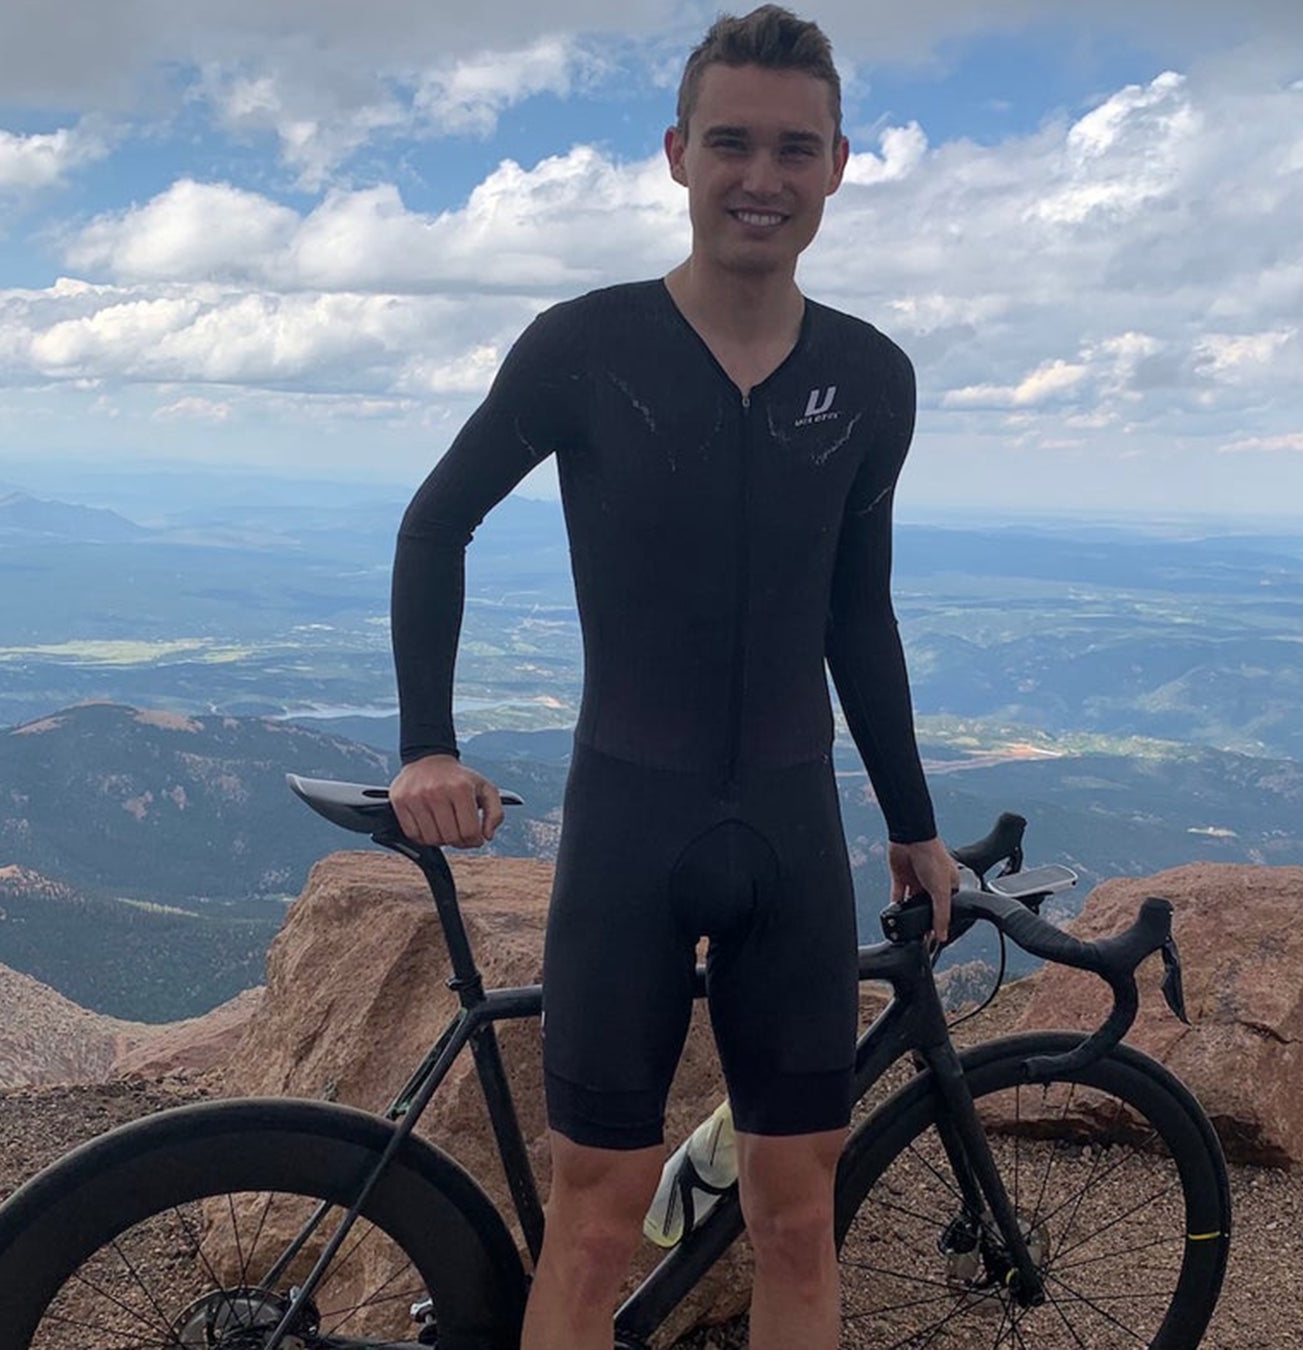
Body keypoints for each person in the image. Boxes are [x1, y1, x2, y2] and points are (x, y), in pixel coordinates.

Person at [386, 7, 956, 1347]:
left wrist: (913, 818)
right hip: (631, 821)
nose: (763, 176)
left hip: (789, 821)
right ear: (677, 155)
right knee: (596, 1217)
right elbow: (435, 523)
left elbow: (855, 612)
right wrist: (427, 743)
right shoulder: (588, 348)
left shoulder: (873, 379)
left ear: (837, 166)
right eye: (733, 143)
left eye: (794, 148)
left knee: (800, 1216)